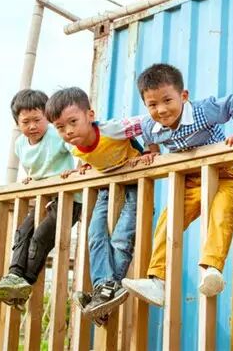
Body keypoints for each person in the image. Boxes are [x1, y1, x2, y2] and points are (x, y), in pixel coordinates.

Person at [122, 63, 233, 306]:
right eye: (152, 104)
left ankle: (212, 270)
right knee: (167, 221)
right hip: (189, 181)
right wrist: (152, 153)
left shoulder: (202, 111)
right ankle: (158, 282)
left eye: (167, 100)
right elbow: (149, 138)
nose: (161, 110)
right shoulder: (150, 126)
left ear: (183, 96)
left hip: (222, 175)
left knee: (222, 214)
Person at [47, 87, 143, 323]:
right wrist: (80, 168)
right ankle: (104, 291)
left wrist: (151, 150)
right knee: (94, 234)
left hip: (134, 184)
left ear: (90, 115)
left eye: (73, 122)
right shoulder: (74, 146)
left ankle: (104, 292)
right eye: (60, 127)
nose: (68, 131)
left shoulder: (112, 129)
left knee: (121, 238)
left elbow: (146, 124)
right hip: (105, 188)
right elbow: (89, 156)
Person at [0, 89, 81, 310]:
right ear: (17, 123)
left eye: (37, 120)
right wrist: (30, 177)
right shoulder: (20, 144)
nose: (32, 126)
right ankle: (14, 275)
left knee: (40, 237)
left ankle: (24, 284)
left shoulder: (56, 134)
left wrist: (77, 170)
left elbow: (77, 150)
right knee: (23, 232)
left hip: (69, 198)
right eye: (25, 122)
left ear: (48, 117)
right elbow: (32, 167)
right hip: (44, 198)